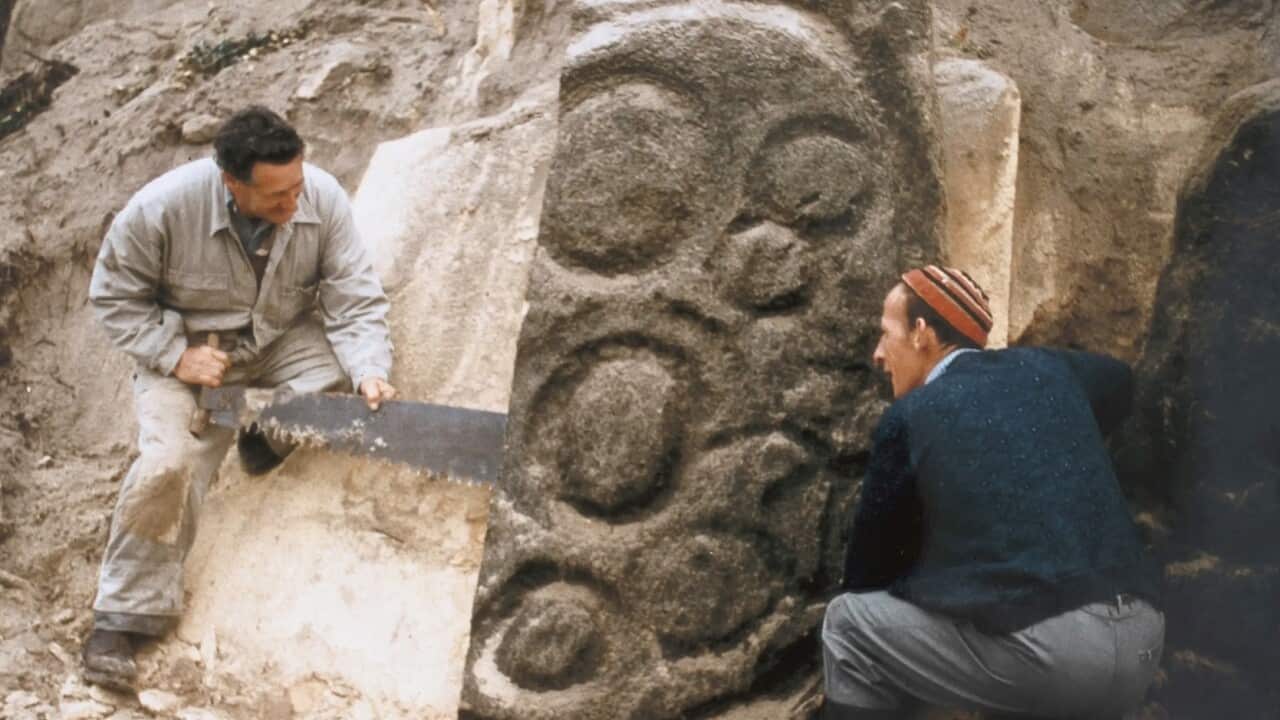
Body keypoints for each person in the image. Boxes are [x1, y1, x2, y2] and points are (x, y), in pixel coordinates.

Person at [82, 106, 396, 690]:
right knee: (169, 464)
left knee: (330, 386)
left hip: (274, 343)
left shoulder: (320, 196)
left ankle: (256, 434)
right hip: (188, 356)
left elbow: (353, 296)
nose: (293, 204)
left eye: (297, 188)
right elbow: (113, 298)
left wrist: (370, 371)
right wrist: (176, 355)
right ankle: (121, 620)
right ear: (231, 182)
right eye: (277, 196)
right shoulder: (160, 209)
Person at [821, 266, 1164, 719]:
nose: (878, 354)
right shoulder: (1049, 369)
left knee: (847, 623)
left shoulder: (910, 415)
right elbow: (1120, 380)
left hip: (1057, 661)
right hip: (1144, 642)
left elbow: (869, 573)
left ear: (921, 333)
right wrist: (1044, 440)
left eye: (886, 334)